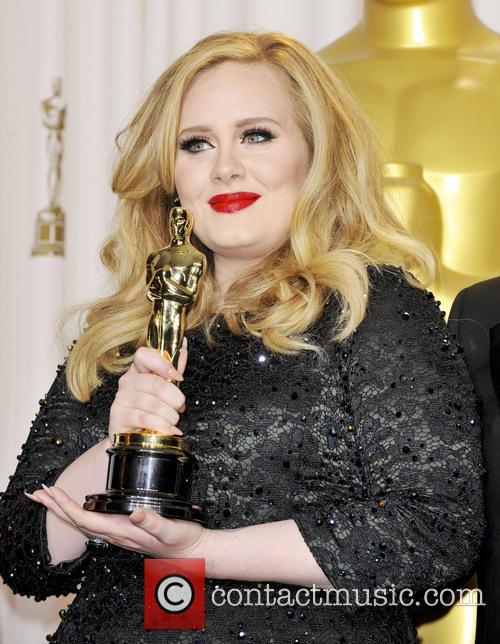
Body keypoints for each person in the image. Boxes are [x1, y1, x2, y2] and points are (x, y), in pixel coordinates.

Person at [0, 30, 485, 644]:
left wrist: (204, 550)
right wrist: (115, 450)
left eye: (257, 134)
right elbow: (21, 552)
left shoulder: (373, 308)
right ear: (170, 176)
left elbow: (434, 534)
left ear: (314, 154)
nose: (226, 165)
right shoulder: (124, 335)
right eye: (196, 143)